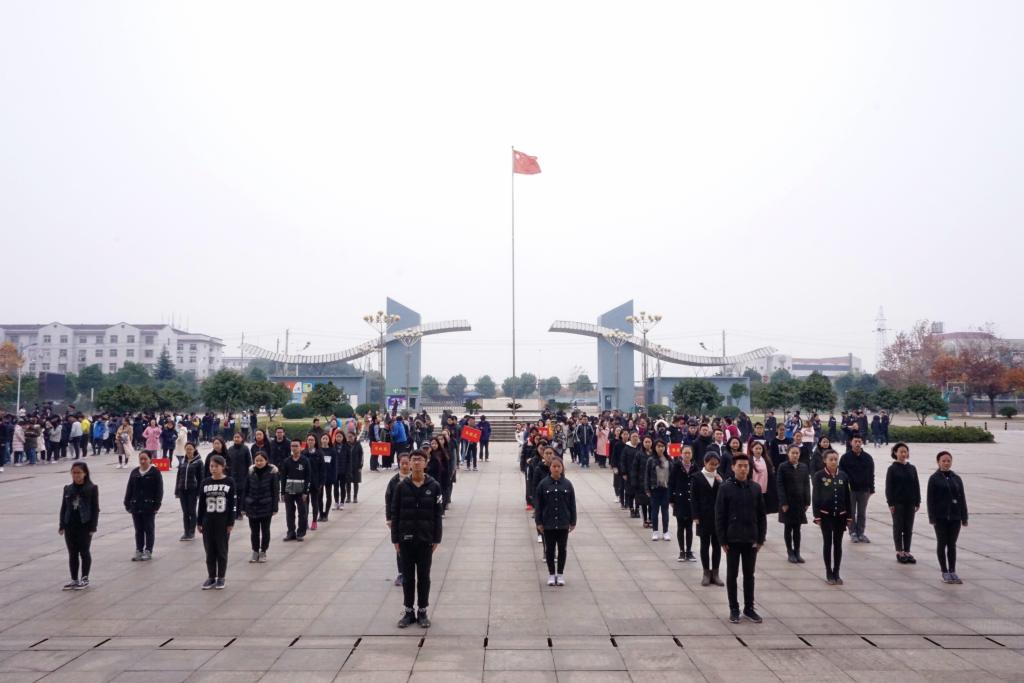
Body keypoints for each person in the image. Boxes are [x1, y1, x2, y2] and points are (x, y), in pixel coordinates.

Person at [391, 450, 443, 629]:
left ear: (426, 463)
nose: (417, 463)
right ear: (410, 463)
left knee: (424, 577)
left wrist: (436, 539)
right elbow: (395, 514)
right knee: (407, 578)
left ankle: (422, 611)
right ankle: (408, 612)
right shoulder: (401, 486)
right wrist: (395, 540)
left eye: (420, 460)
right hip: (405, 540)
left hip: (425, 539)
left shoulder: (434, 486)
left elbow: (438, 515)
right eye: (414, 460)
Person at [715, 453, 766, 624]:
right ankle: (734, 608)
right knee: (732, 575)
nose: (743, 469)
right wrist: (722, 540)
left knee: (749, 575)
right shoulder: (725, 488)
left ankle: (749, 608)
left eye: (746, 466)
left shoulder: (755, 488)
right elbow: (720, 515)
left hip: (751, 538)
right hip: (732, 539)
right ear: (733, 467)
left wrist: (761, 539)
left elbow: (761, 515)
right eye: (740, 466)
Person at [534, 456, 577, 586]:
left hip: (563, 522)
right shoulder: (543, 484)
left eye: (559, 466)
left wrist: (573, 521)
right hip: (548, 523)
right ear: (550, 468)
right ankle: (552, 574)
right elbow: (539, 505)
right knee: (550, 550)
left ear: (562, 468)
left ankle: (561, 573)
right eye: (554, 466)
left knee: (562, 549)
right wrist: (539, 522)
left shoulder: (567, 484)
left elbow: (572, 504)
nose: (556, 469)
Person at [927, 451, 968, 584]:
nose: (946, 463)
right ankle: (944, 571)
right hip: (940, 517)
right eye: (943, 461)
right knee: (942, 543)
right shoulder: (934, 479)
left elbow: (962, 498)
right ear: (938, 462)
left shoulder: (956, 478)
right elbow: (930, 500)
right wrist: (932, 517)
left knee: (952, 544)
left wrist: (964, 517)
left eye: (948, 461)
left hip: (955, 517)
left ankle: (952, 570)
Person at [812, 449, 853, 585]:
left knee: (838, 544)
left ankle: (837, 571)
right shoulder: (819, 476)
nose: (834, 462)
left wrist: (849, 516)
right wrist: (817, 516)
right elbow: (816, 497)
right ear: (825, 460)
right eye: (831, 459)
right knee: (828, 543)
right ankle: (829, 572)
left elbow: (848, 497)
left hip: (840, 516)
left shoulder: (843, 476)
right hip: (825, 515)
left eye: (836, 459)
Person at [197, 454, 236, 589]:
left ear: (223, 467)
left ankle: (221, 577)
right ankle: (211, 577)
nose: (213, 469)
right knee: (210, 551)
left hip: (223, 522)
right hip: (208, 521)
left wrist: (231, 522)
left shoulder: (229, 482)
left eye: (216, 466)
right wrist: (199, 522)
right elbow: (201, 504)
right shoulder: (205, 482)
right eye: (211, 466)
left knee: (222, 550)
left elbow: (233, 504)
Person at [59, 461, 99, 590]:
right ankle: (74, 579)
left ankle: (85, 578)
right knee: (72, 553)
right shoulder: (68, 488)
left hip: (84, 524)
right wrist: (62, 524)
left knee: (84, 551)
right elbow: (64, 507)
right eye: (74, 472)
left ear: (85, 473)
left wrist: (93, 526)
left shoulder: (91, 488)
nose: (76, 475)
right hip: (70, 524)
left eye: (79, 473)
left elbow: (95, 508)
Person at [123, 451, 164, 561]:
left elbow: (159, 490)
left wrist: (157, 504)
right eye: (141, 459)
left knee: (149, 529)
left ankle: (148, 550)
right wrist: (127, 503)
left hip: (149, 506)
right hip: (136, 505)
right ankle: (139, 550)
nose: (142, 461)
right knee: (138, 530)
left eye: (145, 459)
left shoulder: (155, 472)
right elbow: (129, 488)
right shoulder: (135, 472)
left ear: (150, 459)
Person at [691, 452, 724, 587]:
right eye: (711, 464)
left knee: (717, 545)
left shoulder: (719, 476)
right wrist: (695, 516)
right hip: (703, 516)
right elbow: (694, 498)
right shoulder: (697, 477)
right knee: (704, 545)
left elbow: (724, 495)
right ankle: (706, 573)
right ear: (705, 463)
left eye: (716, 465)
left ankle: (715, 573)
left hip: (717, 516)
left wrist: (721, 482)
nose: (713, 467)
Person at [885, 442, 920, 564]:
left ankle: (907, 551)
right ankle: (899, 551)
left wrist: (917, 501)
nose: (903, 454)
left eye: (905, 452)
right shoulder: (892, 469)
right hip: (897, 503)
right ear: (895, 453)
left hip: (910, 502)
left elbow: (916, 485)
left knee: (908, 527)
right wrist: (890, 503)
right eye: (901, 452)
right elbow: (889, 488)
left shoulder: (912, 468)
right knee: (898, 527)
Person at [776, 444, 810, 563]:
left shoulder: (804, 467)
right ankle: (790, 552)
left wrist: (807, 501)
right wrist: (783, 503)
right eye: (793, 453)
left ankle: (797, 552)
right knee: (788, 528)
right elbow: (780, 485)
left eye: (797, 453)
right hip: (787, 503)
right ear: (788, 454)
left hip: (799, 502)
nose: (795, 455)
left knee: (797, 529)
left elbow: (806, 484)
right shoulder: (783, 467)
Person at [244, 451, 279, 563]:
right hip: (252, 506)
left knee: (265, 530)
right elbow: (246, 489)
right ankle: (255, 551)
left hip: (266, 506)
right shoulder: (250, 472)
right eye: (257, 460)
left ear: (266, 461)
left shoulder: (272, 473)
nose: (259, 462)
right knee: (254, 531)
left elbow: (275, 491)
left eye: (261, 460)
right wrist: (243, 507)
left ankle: (263, 551)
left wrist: (275, 507)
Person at [839, 435, 874, 543]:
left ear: (862, 442)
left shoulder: (868, 458)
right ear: (851, 443)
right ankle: (853, 532)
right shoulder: (845, 458)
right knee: (851, 512)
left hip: (864, 490)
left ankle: (861, 533)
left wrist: (871, 488)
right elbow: (841, 474)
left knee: (862, 513)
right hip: (850, 490)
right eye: (856, 441)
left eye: (859, 441)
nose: (858, 443)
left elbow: (871, 474)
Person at [386, 453, 413, 586]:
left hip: (414, 519)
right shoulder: (394, 481)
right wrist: (389, 518)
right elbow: (388, 500)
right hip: (399, 519)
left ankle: (411, 572)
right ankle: (402, 573)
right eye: (402, 463)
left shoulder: (417, 478)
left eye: (407, 463)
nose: (405, 466)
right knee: (400, 546)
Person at [669, 444, 697, 562]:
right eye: (685, 453)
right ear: (681, 454)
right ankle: (681, 551)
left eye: (689, 453)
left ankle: (689, 551)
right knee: (680, 526)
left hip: (691, 501)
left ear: (692, 454)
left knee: (689, 527)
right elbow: (671, 483)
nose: (687, 455)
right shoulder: (676, 466)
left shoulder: (695, 467)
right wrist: (671, 499)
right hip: (679, 500)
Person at [280, 439, 311, 541]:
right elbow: (283, 477)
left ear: (300, 447)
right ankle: (291, 532)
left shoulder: (305, 461)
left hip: (301, 492)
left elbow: (308, 477)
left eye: (296, 446)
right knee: (289, 513)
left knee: (302, 513)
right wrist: (282, 492)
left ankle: (300, 533)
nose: (294, 448)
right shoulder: (286, 461)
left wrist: (305, 492)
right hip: (289, 491)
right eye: (292, 446)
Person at [174, 442, 203, 541]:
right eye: (187, 449)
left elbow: (201, 478)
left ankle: (191, 532)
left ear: (194, 449)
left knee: (192, 511)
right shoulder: (182, 461)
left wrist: (199, 492)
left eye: (190, 449)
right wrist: (177, 490)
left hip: (192, 490)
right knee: (185, 512)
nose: (189, 451)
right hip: (182, 490)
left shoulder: (198, 462)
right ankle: (186, 532)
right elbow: (179, 476)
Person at [645, 440, 672, 541]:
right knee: (655, 511)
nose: (660, 448)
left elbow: (672, 475)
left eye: (662, 446)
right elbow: (647, 475)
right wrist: (647, 489)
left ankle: (665, 532)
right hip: (655, 488)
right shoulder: (651, 460)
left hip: (666, 489)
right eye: (658, 446)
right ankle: (655, 531)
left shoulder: (669, 459)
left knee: (665, 511)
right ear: (655, 448)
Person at [225, 433, 252, 521]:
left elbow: (249, 462)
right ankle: (234, 513)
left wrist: (248, 475)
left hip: (243, 476)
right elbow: (227, 462)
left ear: (242, 438)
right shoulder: (230, 449)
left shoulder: (245, 449)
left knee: (241, 495)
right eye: (235, 437)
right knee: (233, 495)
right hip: (232, 476)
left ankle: (240, 512)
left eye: (238, 437)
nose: (236, 439)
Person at [632, 436, 654, 528]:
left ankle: (651, 519)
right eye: (646, 442)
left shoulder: (654, 454)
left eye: (649, 442)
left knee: (652, 503)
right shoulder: (639, 454)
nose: (648, 444)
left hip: (652, 482)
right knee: (644, 503)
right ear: (643, 443)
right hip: (641, 482)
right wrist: (634, 481)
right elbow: (634, 468)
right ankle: (645, 519)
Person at [317, 433, 337, 522]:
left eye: (326, 438)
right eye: (323, 438)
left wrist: (334, 477)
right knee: (319, 496)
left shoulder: (332, 451)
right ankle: (321, 513)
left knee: (329, 495)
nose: (324, 440)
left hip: (329, 476)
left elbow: (334, 465)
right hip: (320, 477)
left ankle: (326, 514)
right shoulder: (318, 450)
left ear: (329, 440)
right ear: (321, 440)